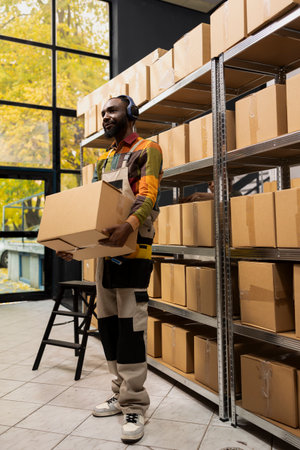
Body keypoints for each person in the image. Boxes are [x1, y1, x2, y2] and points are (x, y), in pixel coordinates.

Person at [58, 95, 163, 444]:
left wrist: (129, 226)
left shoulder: (148, 149)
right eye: (103, 112)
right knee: (108, 325)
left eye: (112, 110)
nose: (105, 116)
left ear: (130, 114)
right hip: (106, 255)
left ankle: (135, 403)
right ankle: (119, 394)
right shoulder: (107, 159)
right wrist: (75, 245)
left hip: (134, 250)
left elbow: (147, 196)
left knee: (131, 326)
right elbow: (98, 211)